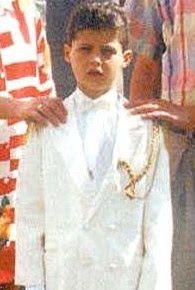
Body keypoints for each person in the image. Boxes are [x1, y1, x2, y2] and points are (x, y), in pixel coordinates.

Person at [15, 2, 172, 290]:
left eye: (107, 50)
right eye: (85, 49)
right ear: (66, 53)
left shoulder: (145, 130)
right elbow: (29, 219)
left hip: (123, 280)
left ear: (126, 57)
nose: (96, 60)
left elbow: (158, 227)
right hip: (64, 279)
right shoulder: (47, 125)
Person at [124, 0, 195, 289]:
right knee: (178, 266)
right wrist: (137, 148)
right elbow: (145, 65)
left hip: (184, 121)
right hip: (179, 146)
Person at [0, 0, 66, 286]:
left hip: (17, 168)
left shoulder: (28, 13)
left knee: (16, 265)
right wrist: (14, 107)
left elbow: (45, 88)